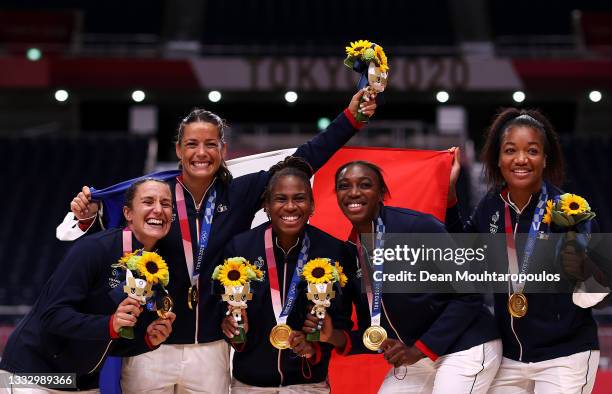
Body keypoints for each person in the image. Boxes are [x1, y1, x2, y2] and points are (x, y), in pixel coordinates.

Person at [61, 91, 377, 393]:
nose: (202, 152)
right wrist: (90, 216)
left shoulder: (241, 193)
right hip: (151, 344)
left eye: (211, 144)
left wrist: (351, 118)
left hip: (210, 350)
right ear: (178, 150)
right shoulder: (156, 198)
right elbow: (115, 241)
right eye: (192, 144)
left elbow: (305, 158)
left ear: (223, 150)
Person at [446, 108, 609, 393]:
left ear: (545, 159)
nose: (521, 159)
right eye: (510, 150)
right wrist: (449, 193)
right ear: (498, 158)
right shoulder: (490, 206)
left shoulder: (570, 209)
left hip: (565, 355)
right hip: (509, 357)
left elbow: (601, 298)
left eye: (532, 151)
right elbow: (461, 254)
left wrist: (586, 272)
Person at [327, 160, 501, 394]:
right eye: (344, 186)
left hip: (465, 344)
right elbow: (372, 330)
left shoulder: (417, 227)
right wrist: (332, 336)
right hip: (416, 353)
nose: (354, 192)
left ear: (381, 193)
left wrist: (420, 349)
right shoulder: (349, 252)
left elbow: (469, 294)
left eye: (365, 185)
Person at [0, 179, 176, 393]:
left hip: (82, 381)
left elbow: (113, 340)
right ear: (128, 213)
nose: (158, 209)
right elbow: (52, 315)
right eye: (148, 202)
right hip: (33, 373)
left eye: (166, 204)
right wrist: (109, 324)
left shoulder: (156, 267)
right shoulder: (94, 248)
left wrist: (147, 339)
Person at [220, 156, 353, 393]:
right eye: (281, 199)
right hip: (249, 385)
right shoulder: (240, 248)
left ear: (312, 205)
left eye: (299, 198)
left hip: (309, 385)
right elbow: (225, 311)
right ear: (267, 206)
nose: (290, 206)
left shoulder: (333, 250)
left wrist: (317, 345)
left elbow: (341, 321)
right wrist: (233, 328)